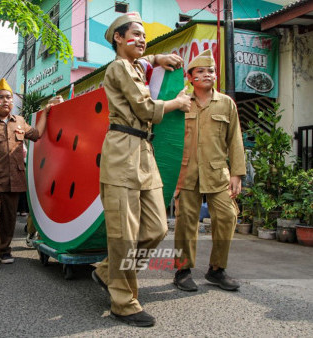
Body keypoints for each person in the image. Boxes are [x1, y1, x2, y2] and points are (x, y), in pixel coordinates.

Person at [91, 12, 191, 327]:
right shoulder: (119, 67)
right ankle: (123, 303)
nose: (141, 39)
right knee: (124, 235)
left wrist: (157, 57)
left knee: (156, 229)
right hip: (122, 150)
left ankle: (107, 271)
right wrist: (177, 103)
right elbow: (146, 108)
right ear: (118, 38)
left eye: (144, 35)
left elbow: (144, 61)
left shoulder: (135, 64)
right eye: (134, 34)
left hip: (144, 151)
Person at [0, 78, 62, 275]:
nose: (5, 101)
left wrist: (46, 111)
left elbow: (37, 134)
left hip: (14, 180)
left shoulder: (19, 121)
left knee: (9, 220)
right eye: (0, 98)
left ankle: (4, 250)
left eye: (9, 97)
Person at [172, 49, 246, 292]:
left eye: (211, 71)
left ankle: (217, 269)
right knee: (186, 222)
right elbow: (169, 139)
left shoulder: (226, 104)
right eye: (201, 71)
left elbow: (235, 139)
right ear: (190, 77)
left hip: (217, 173)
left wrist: (237, 173)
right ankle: (183, 270)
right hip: (186, 173)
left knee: (227, 216)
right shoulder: (181, 102)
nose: (207, 75)